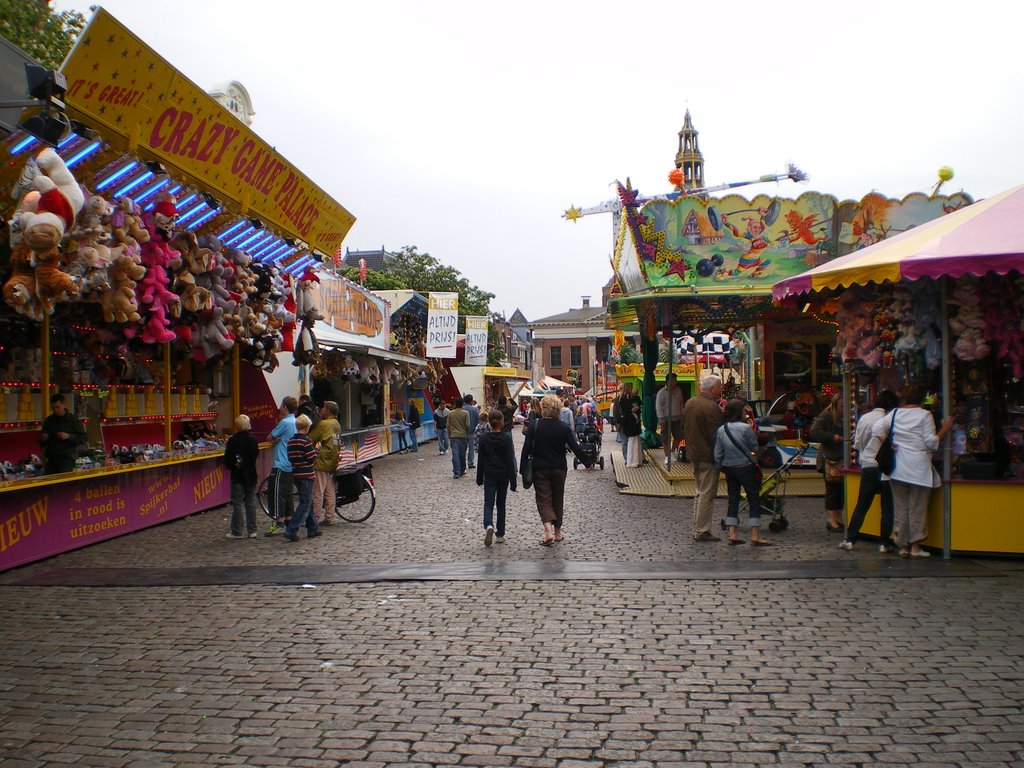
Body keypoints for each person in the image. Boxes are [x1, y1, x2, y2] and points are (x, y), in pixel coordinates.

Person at [866, 384, 953, 558]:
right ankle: (915, 547)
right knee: (917, 508)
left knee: (901, 508)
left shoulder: (895, 413)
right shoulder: (925, 415)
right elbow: (932, 442)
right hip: (919, 467)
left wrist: (889, 443)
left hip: (898, 468)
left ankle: (902, 546)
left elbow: (876, 429)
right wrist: (945, 428)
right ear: (920, 399)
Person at [521, 394, 593, 546]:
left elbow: (526, 449)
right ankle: (558, 533)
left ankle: (548, 531)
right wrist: (587, 462)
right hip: (559, 468)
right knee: (557, 500)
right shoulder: (563, 427)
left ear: (544, 409)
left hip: (540, 468)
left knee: (543, 499)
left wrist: (522, 469)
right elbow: (574, 447)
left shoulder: (535, 425)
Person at [839, 390, 900, 552]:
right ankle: (884, 543)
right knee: (887, 508)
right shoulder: (890, 419)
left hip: (867, 465)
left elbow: (857, 444)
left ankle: (850, 539)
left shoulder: (864, 418)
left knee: (862, 505)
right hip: (886, 468)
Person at [714, 399, 772, 546]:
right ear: (739, 412)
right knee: (753, 499)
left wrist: (721, 467)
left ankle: (732, 534)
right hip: (746, 467)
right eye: (744, 411)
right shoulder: (746, 428)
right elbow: (754, 446)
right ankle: (755, 535)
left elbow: (718, 453)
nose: (746, 413)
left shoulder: (722, 430)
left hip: (729, 469)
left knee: (733, 499)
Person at [682, 375, 724, 542]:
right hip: (707, 455)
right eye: (719, 387)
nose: (721, 390)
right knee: (706, 493)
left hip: (694, 453)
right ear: (712, 389)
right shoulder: (711, 407)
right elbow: (716, 435)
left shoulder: (690, 403)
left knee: (700, 492)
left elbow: (683, 427)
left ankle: (698, 527)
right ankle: (702, 530)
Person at [476, 408, 517, 546]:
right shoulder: (506, 439)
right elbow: (510, 460)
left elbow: (480, 459)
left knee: (488, 503)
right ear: (501, 422)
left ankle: (488, 525)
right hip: (503, 475)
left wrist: (479, 477)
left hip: (489, 474)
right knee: (501, 504)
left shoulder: (483, 438)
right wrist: (513, 480)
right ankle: (500, 534)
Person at [283, 414, 321, 542]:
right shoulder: (306, 441)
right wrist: (317, 450)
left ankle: (313, 528)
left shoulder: (291, 441)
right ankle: (291, 529)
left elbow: (290, 457)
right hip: (307, 474)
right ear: (306, 427)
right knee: (305, 503)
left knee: (307, 500)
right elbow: (312, 458)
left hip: (296, 473)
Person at [811, 393, 846, 532]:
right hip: (829, 457)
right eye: (842, 406)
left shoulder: (844, 417)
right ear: (835, 405)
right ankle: (832, 519)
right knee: (832, 489)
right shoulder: (827, 416)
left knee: (840, 490)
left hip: (840, 457)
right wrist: (833, 437)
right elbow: (815, 431)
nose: (844, 408)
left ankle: (837, 518)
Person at [223, 414, 260, 539]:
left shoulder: (232, 440)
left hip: (238, 474)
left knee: (237, 503)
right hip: (250, 473)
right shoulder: (253, 440)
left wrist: (233, 466)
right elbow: (255, 455)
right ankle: (252, 530)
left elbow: (228, 459)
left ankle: (237, 531)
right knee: (251, 501)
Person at [265, 396, 297, 535]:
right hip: (291, 463)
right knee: (288, 493)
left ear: (285, 407)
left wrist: (275, 439)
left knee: (278, 493)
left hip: (281, 463)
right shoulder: (295, 421)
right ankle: (289, 519)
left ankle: (279, 522)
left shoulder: (284, 422)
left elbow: (269, 437)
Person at [308, 400, 341, 526]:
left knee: (318, 491)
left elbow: (311, 438)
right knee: (330, 491)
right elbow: (337, 441)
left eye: (323, 408)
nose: (321, 409)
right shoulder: (336, 423)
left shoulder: (323, 424)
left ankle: (315, 518)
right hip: (333, 460)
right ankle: (329, 517)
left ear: (327, 411)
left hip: (322, 460)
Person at [40, 392, 86, 475]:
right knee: (49, 484)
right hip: (51, 458)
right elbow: (42, 443)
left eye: (58, 407)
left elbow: (83, 438)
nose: (55, 410)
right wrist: (43, 439)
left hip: (66, 458)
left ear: (63, 405)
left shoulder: (73, 420)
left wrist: (68, 436)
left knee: (63, 483)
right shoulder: (48, 421)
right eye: (53, 408)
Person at [656, 372, 685, 466]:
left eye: (675, 380)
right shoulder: (661, 392)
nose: (675, 382)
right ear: (667, 381)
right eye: (672, 380)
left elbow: (681, 404)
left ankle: (672, 452)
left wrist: (683, 415)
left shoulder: (679, 390)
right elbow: (659, 407)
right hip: (665, 418)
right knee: (665, 438)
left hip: (678, 417)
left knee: (679, 436)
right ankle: (667, 456)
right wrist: (662, 420)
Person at [448, 397, 470, 478]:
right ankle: (462, 469)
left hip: (454, 435)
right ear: (462, 404)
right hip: (463, 435)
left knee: (455, 454)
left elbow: (448, 425)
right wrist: (467, 433)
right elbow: (467, 425)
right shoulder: (466, 413)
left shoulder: (451, 413)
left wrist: (449, 434)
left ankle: (456, 471)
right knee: (462, 454)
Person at [463, 394, 480, 468]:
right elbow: (477, 420)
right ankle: (470, 462)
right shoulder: (474, 409)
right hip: (472, 430)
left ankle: (462, 462)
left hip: (463, 431)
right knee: (471, 448)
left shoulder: (462, 408)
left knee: (463, 448)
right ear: (471, 400)